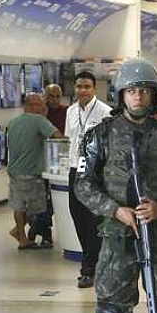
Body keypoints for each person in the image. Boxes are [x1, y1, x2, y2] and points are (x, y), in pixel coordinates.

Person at [75, 58, 157, 313]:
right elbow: (83, 184)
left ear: (154, 94)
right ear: (121, 95)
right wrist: (115, 210)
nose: (138, 97)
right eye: (131, 91)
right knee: (111, 311)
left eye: (144, 90)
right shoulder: (99, 136)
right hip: (117, 236)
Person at [65, 71, 112, 288]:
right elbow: (71, 140)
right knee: (78, 219)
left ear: (94, 89)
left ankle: (89, 268)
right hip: (76, 169)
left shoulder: (105, 112)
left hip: (95, 173)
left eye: (86, 86)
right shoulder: (71, 111)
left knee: (94, 222)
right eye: (79, 86)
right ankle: (90, 260)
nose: (82, 90)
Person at [7, 94, 63, 249]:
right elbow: (59, 137)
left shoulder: (13, 122)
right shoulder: (39, 120)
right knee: (37, 208)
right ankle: (19, 233)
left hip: (14, 171)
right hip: (32, 173)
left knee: (18, 206)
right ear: (32, 105)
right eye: (41, 104)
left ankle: (21, 236)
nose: (44, 107)